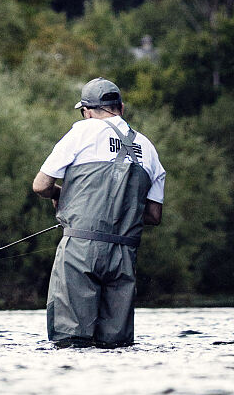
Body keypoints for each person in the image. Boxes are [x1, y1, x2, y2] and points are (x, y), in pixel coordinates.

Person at [31, 77, 165, 348]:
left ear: (87, 111)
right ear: (121, 108)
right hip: (125, 256)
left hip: (80, 250)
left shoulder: (83, 131)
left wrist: (61, 195)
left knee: (71, 341)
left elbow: (41, 186)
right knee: (116, 345)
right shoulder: (148, 149)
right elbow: (153, 215)